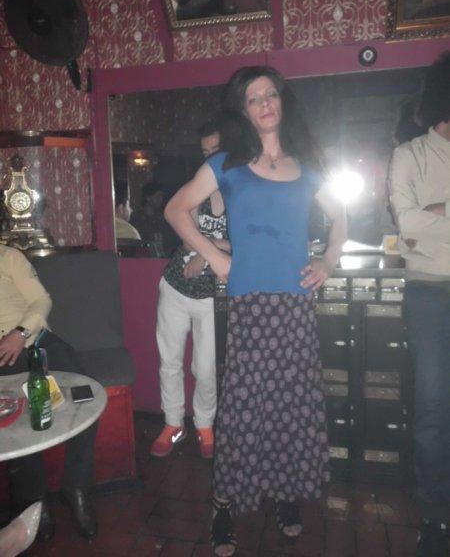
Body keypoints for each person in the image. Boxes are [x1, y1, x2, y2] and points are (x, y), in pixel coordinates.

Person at [164, 66, 346, 556]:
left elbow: (341, 215)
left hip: (295, 305)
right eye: (253, 97)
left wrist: (328, 260)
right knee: (244, 411)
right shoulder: (227, 163)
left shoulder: (306, 166)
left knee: (290, 406)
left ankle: (285, 493)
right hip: (249, 304)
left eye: (271, 94)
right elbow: (176, 210)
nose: (265, 103)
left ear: (282, 102)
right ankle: (223, 503)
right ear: (242, 110)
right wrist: (216, 257)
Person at [389, 52, 450, 557]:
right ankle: (435, 514)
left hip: (430, 277)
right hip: (428, 292)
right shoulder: (410, 154)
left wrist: (437, 212)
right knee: (432, 406)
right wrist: (424, 219)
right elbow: (406, 224)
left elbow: (422, 225)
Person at [0, 244, 98, 541]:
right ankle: (34, 501)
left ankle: (75, 486)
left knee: (86, 394)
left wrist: (20, 333)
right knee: (15, 424)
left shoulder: (8, 257)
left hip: (35, 341)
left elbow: (41, 300)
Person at [150, 120, 229, 460]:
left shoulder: (243, 193)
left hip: (213, 295)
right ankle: (172, 423)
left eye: (216, 150)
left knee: (206, 368)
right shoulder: (195, 188)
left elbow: (246, 244)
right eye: (205, 152)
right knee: (169, 361)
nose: (210, 158)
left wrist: (205, 252)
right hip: (176, 287)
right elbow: (184, 234)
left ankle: (204, 424)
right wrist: (214, 247)